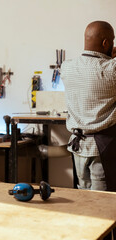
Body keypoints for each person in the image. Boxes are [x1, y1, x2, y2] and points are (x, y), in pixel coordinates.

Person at [61, 21, 116, 191]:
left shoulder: (66, 67)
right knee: (105, 202)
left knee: (85, 198)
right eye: (112, 40)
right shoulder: (111, 69)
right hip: (103, 148)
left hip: (78, 146)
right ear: (106, 43)